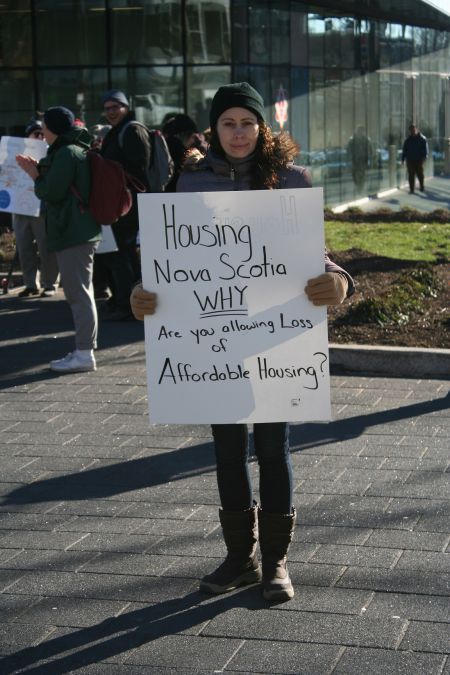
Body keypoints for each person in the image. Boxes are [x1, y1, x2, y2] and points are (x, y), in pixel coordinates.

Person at [130, 82, 355, 602]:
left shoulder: (291, 180)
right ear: (215, 129)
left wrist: (339, 280)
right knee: (228, 451)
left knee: (274, 449)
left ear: (262, 128)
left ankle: (276, 561)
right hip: (212, 342)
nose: (238, 133)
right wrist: (144, 292)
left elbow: (316, 256)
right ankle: (240, 557)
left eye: (247, 123)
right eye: (228, 123)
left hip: (274, 343)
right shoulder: (185, 181)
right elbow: (167, 259)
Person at [16, 106, 101, 373]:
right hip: (77, 229)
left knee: (79, 294)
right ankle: (84, 350)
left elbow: (50, 192)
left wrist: (35, 176)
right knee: (80, 292)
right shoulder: (72, 149)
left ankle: (85, 353)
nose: (43, 133)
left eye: (44, 129)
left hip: (73, 230)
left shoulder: (66, 153)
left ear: (53, 130)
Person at [96, 89, 151, 321]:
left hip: (128, 203)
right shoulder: (121, 130)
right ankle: (127, 298)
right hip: (121, 201)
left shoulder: (132, 130)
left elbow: (139, 166)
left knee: (120, 253)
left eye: (115, 107)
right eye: (107, 108)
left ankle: (127, 302)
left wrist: (108, 168)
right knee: (122, 252)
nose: (110, 112)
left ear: (125, 107)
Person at [13, 120, 59, 298]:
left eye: (42, 133)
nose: (39, 136)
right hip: (19, 207)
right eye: (35, 133)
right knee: (24, 248)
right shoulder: (15, 154)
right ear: (28, 136)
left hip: (42, 208)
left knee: (46, 247)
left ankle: (50, 283)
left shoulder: (51, 153)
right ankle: (30, 283)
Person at [162, 113, 207, 192]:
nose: (194, 140)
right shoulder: (179, 151)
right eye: (193, 136)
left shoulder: (165, 146)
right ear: (186, 134)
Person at [401, 123, 428, 193]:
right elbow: (405, 150)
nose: (412, 131)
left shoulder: (422, 139)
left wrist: (424, 157)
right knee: (411, 175)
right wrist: (403, 159)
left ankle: (421, 186)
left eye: (413, 130)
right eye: (411, 130)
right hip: (410, 160)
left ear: (416, 129)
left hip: (419, 159)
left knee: (420, 174)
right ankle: (411, 189)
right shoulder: (408, 140)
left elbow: (425, 149)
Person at [347, 125, 373, 194]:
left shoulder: (366, 139)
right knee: (355, 174)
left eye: (361, 131)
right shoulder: (352, 139)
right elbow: (348, 149)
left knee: (361, 174)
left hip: (362, 160)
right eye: (359, 131)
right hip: (355, 160)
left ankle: (360, 187)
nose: (360, 132)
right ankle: (358, 186)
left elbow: (370, 150)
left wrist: (370, 157)